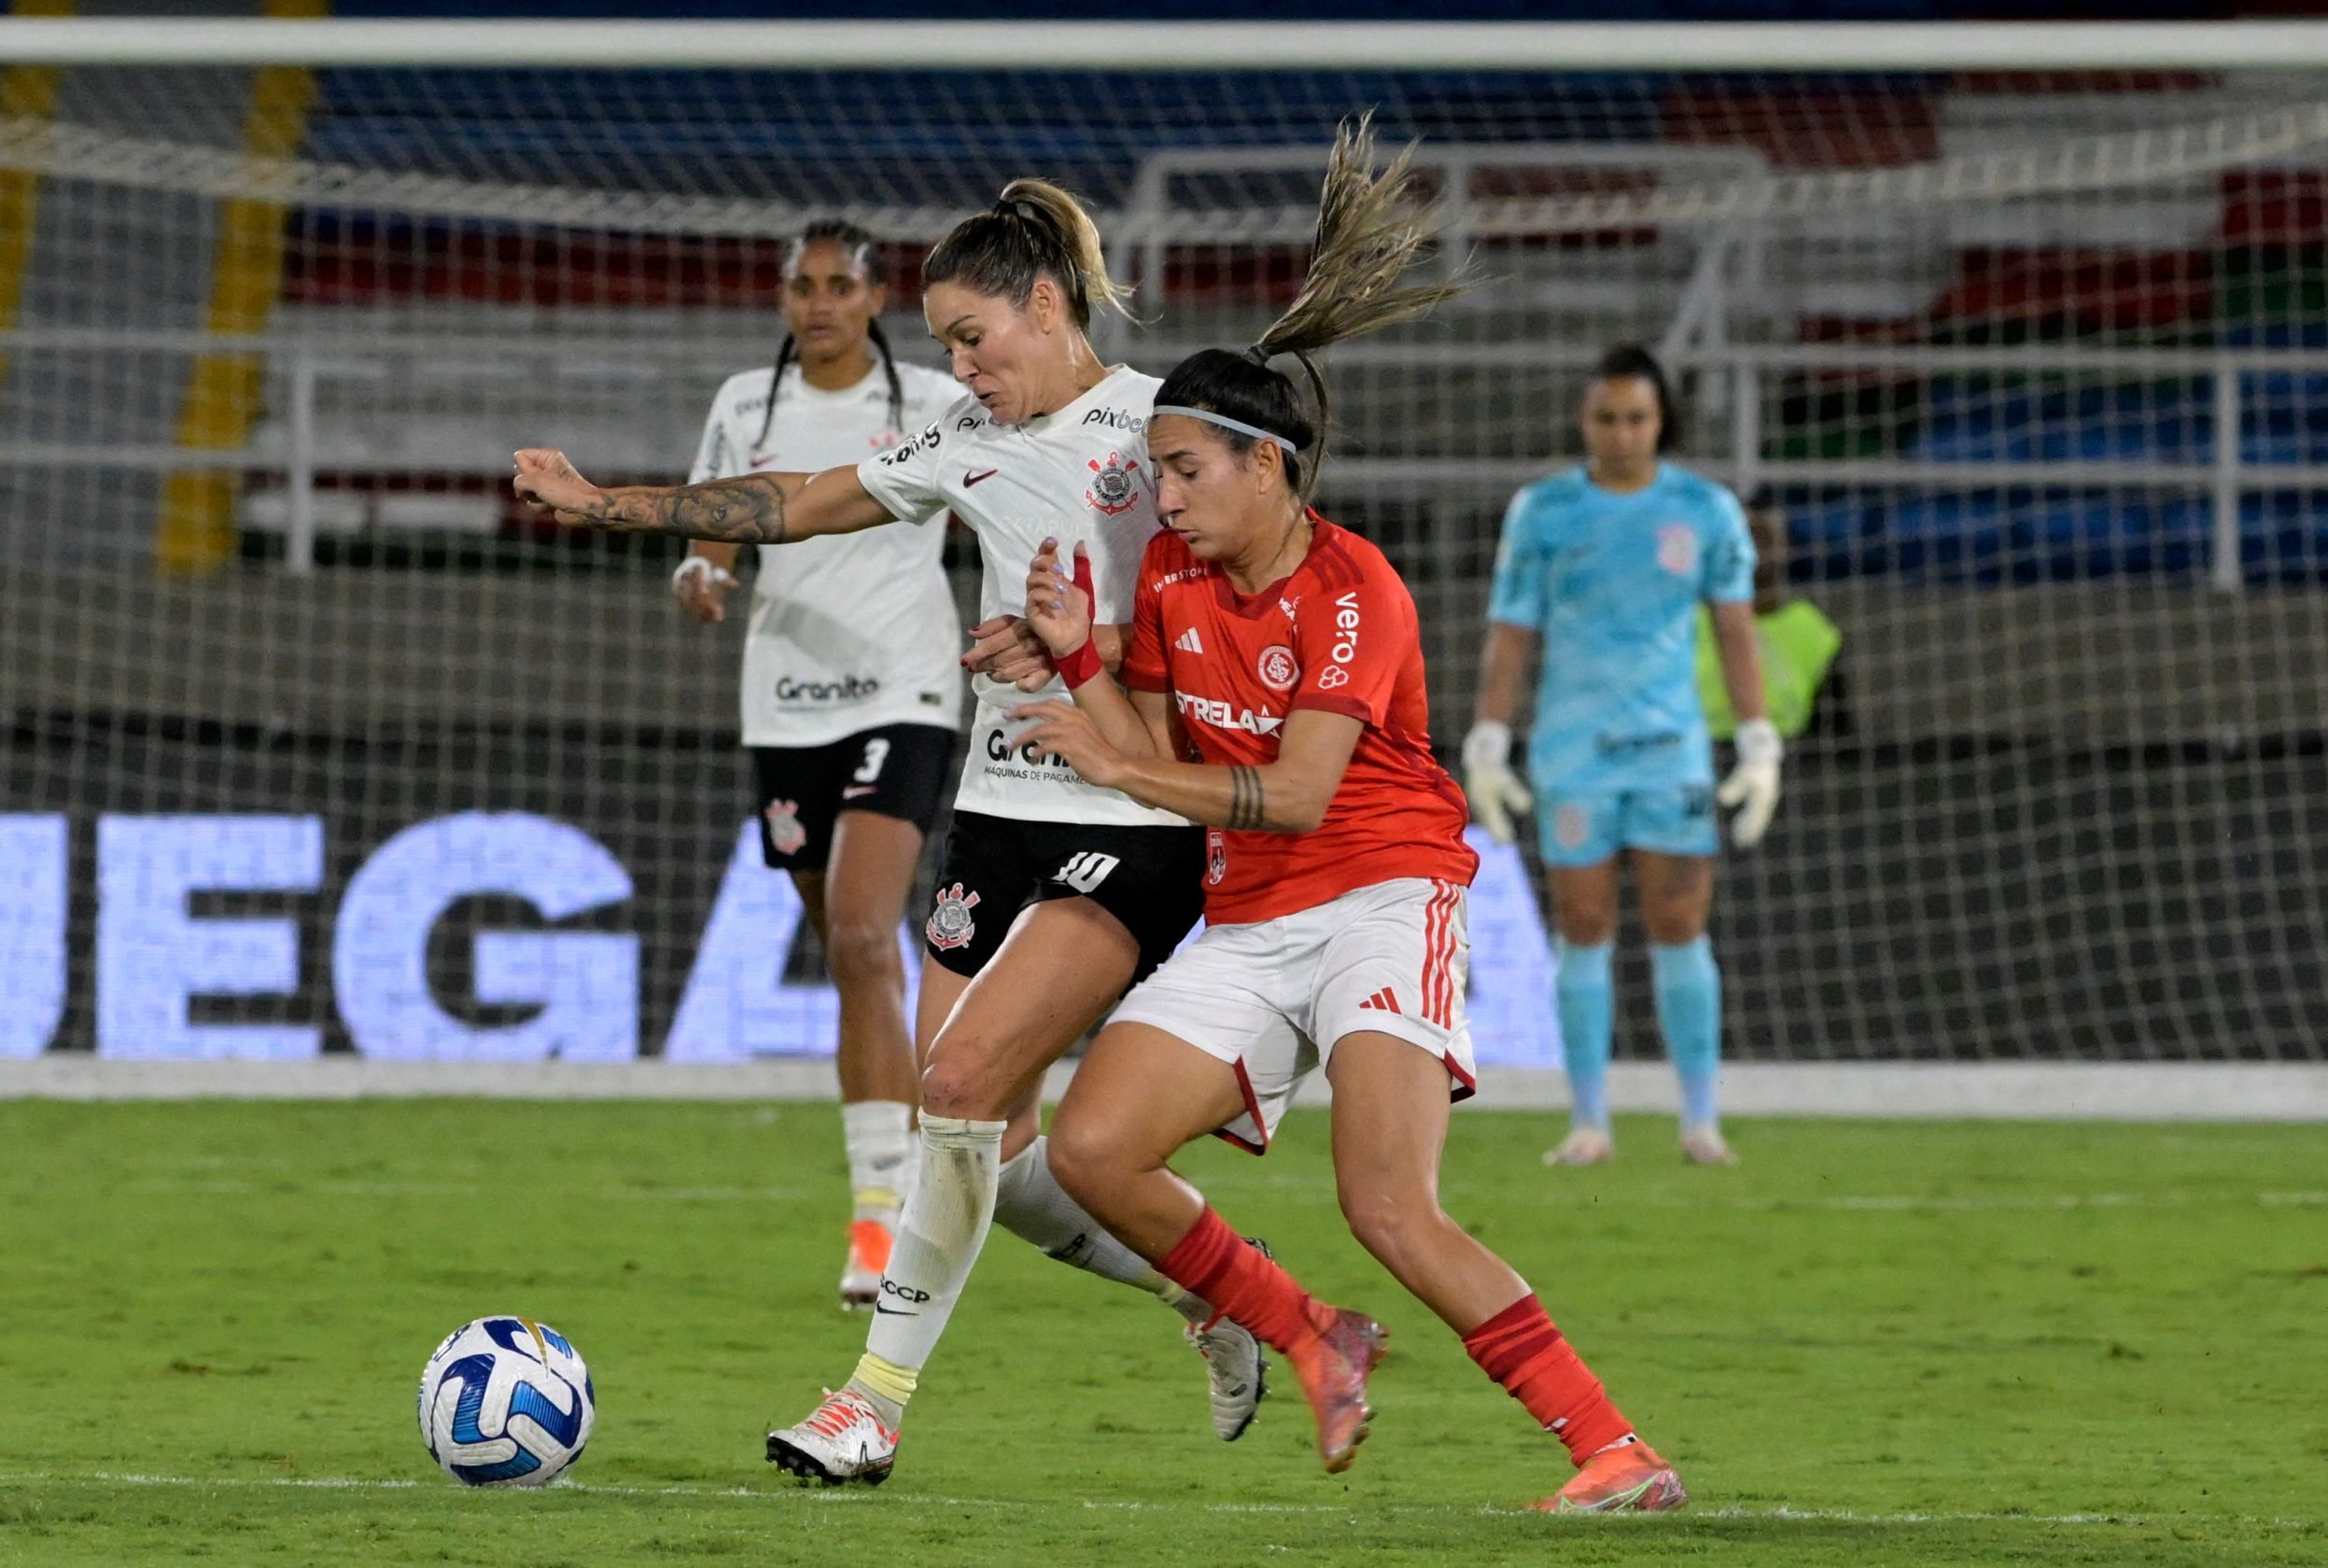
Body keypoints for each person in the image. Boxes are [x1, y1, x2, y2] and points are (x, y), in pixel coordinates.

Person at [511, 179, 1263, 1486]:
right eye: (946, 343)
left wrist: (1096, 642)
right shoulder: (967, 439)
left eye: (975, 335)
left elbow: (1253, 603)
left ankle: (871, 1402)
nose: (959, 366)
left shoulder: (1163, 426)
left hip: (1127, 807)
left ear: (1046, 301)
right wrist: (607, 503)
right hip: (997, 805)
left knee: (962, 1091)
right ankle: (1215, 1290)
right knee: (981, 1135)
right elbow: (795, 499)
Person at [1006, 118, 1687, 1517]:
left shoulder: (1357, 586)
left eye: (1188, 469)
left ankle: (1612, 1443)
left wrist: (1125, 767)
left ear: (1267, 464)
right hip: (1251, 909)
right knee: (1087, 1148)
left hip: (1383, 889)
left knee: (1389, 1203)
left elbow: (1303, 790)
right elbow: (1142, 741)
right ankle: (1311, 1332)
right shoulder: (1184, 594)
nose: (1167, 497)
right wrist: (1080, 652)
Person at [672, 219, 970, 1310]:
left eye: (840, 285)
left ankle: (877, 1224)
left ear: (878, 295)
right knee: (850, 953)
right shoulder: (744, 403)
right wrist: (697, 580)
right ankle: (909, 1177)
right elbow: (711, 537)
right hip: (783, 702)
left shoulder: (934, 402)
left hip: (907, 687)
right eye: (802, 285)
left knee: (857, 930)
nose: (820, 303)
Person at [1462, 345, 1780, 1169]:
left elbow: (1736, 629)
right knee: (1584, 926)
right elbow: (1511, 631)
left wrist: (1757, 736)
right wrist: (1491, 737)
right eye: (1607, 418)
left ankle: (1701, 1120)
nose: (1622, 433)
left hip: (1670, 750)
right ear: (1585, 420)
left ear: (1661, 420)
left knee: (1681, 925)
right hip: (1574, 754)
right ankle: (1589, 1120)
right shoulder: (1544, 511)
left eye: (1637, 418)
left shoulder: (1705, 510)